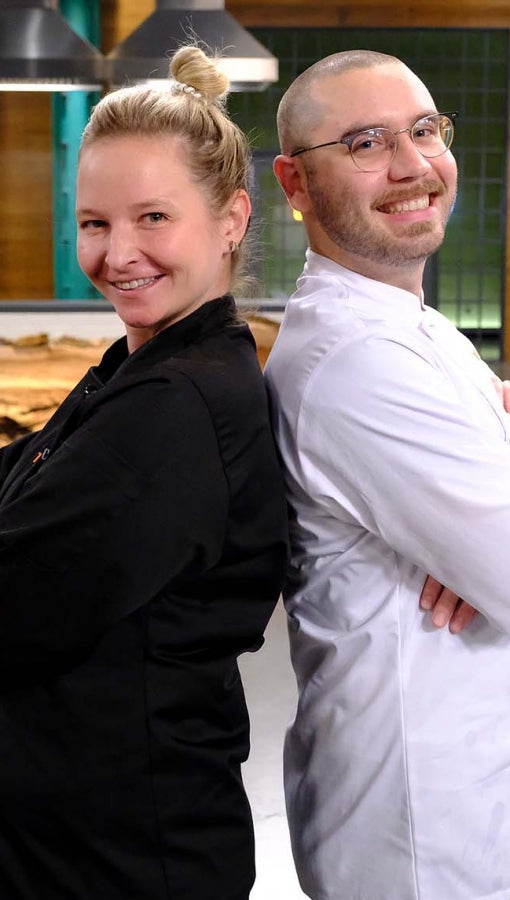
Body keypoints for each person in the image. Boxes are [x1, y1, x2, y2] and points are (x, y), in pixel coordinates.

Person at [0, 45, 288, 900]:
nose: (118, 253)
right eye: (94, 223)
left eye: (152, 218)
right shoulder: (142, 370)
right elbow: (25, 477)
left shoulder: (177, 408)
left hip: (120, 863)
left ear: (232, 219)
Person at [264, 48, 510, 900]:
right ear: (295, 184)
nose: (413, 168)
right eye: (366, 143)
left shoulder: (415, 326)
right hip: (423, 838)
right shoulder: (359, 360)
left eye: (423, 132)